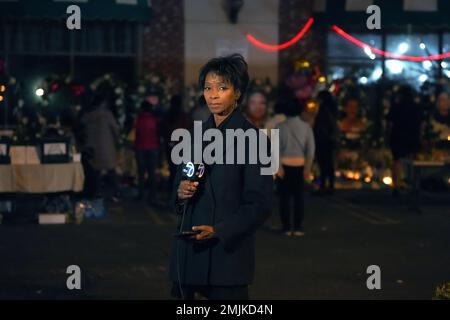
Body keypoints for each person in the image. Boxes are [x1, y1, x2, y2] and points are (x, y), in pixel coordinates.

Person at [169, 54, 273, 300]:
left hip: (227, 260)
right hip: (188, 258)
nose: (213, 95)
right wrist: (180, 192)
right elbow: (175, 193)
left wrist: (220, 230)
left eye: (222, 88)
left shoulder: (256, 141)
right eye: (208, 88)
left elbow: (260, 204)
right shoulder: (194, 137)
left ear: (237, 93)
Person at [276, 87, 315, 237]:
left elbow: (275, 149)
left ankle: (286, 227)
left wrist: (278, 167)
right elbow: (310, 149)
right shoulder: (306, 127)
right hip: (300, 165)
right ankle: (298, 227)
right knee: (299, 198)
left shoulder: (280, 127)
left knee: (284, 199)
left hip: (284, 166)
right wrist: (308, 167)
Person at [81, 87, 120, 200]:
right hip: (106, 147)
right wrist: (117, 141)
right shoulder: (107, 115)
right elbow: (115, 129)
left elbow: (82, 126)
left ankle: (96, 193)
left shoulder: (88, 115)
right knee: (111, 170)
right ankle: (115, 193)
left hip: (92, 147)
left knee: (95, 172)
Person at [386, 85, 423, 195]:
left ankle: (396, 185)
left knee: (397, 161)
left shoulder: (396, 106)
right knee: (412, 162)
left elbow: (390, 123)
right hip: (412, 137)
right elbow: (421, 124)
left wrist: (387, 136)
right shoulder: (416, 107)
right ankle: (413, 185)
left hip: (398, 137)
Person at [133, 100, 161, 205]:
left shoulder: (139, 120)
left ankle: (141, 195)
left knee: (141, 173)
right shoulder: (154, 120)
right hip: (153, 147)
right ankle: (152, 196)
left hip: (140, 147)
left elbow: (136, 133)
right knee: (151, 173)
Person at [313, 90, 338, 195]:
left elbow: (321, 126)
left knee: (323, 163)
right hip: (329, 140)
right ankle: (329, 185)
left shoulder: (324, 110)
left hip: (322, 140)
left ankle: (324, 185)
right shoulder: (332, 110)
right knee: (328, 163)